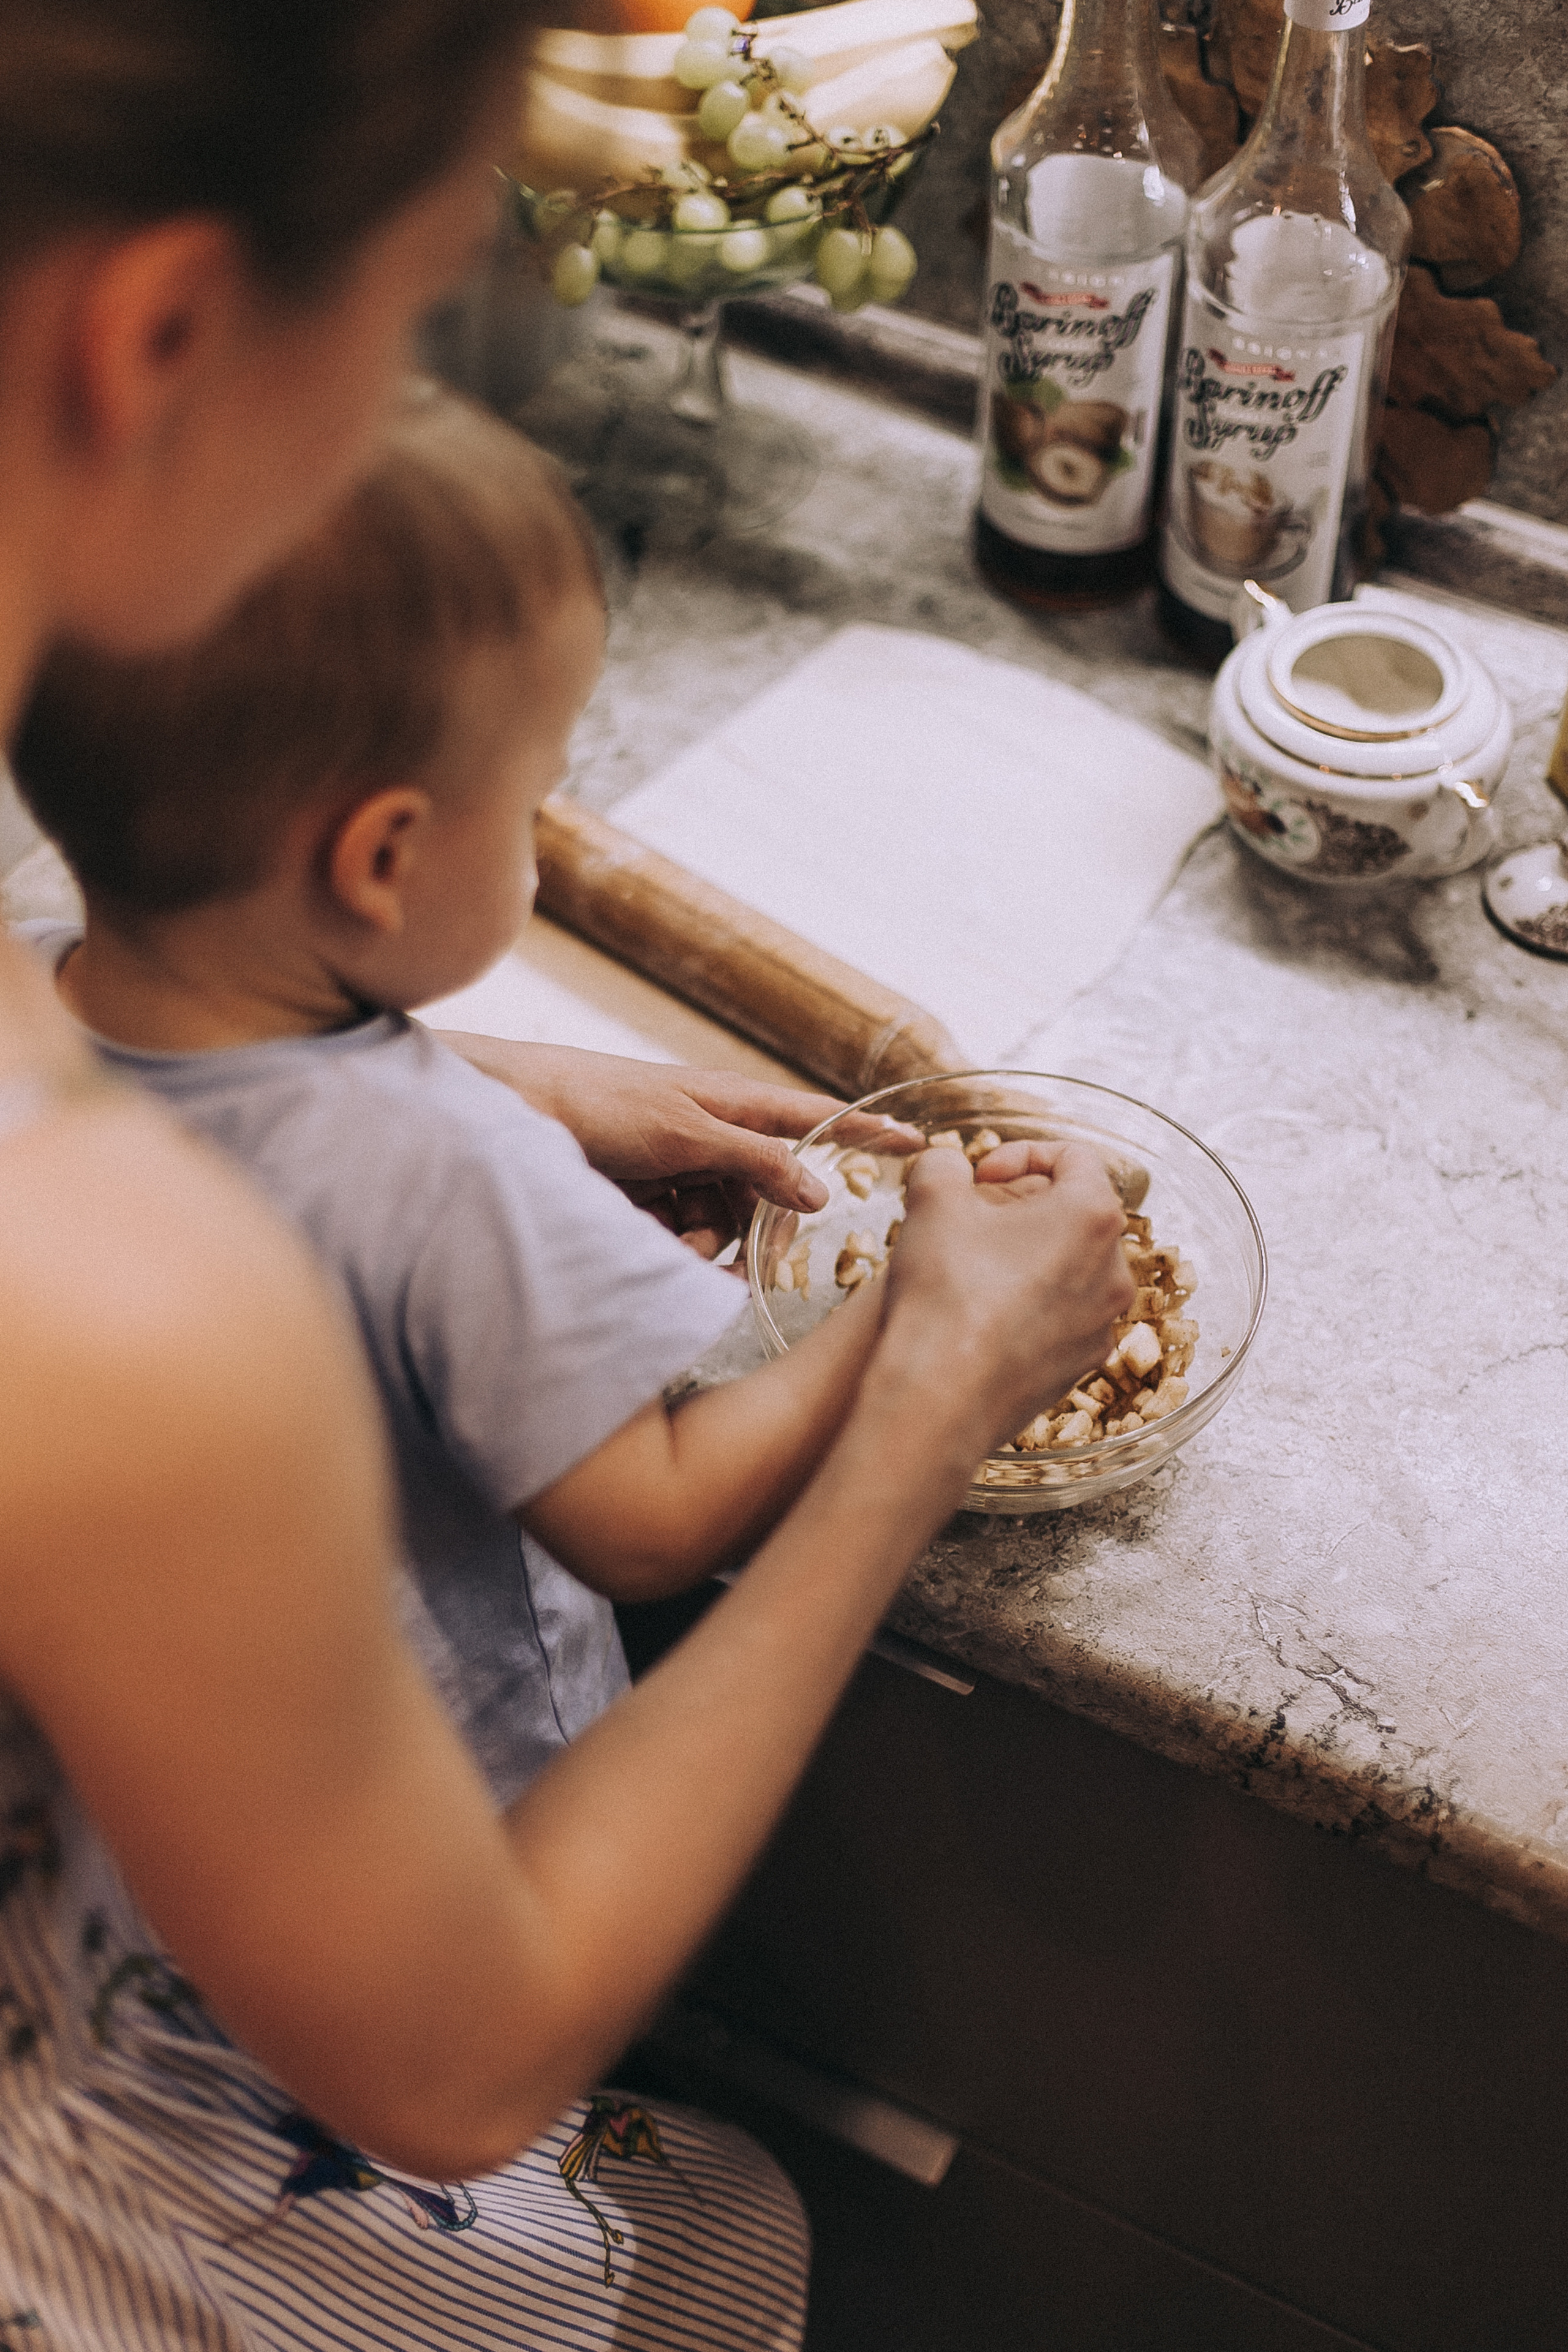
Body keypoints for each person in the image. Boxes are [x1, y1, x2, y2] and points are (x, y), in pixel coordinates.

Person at [0, 4, 1134, 2346]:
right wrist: (924, 1382)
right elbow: (453, 2055)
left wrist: (444, 1068)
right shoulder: (116, 1309)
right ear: (166, 334)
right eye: (420, 301)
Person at [13, 382, 917, 1809]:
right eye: (533, 803)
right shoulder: (447, 1169)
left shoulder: (28, 994)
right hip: (450, 1837)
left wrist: (517, 1079)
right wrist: (918, 1320)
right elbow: (652, 1521)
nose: (543, 850)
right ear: (381, 859)